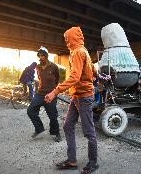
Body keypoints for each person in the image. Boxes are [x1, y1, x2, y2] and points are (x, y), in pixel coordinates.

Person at [45, 26, 99, 174]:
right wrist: (93, 76)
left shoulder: (76, 52)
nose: (66, 42)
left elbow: (75, 77)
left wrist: (55, 92)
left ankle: (93, 162)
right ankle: (72, 161)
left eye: (67, 39)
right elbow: (94, 70)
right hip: (78, 96)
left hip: (83, 97)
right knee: (68, 126)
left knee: (89, 132)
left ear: (72, 38)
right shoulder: (85, 51)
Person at [27, 46, 62, 142]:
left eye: (42, 55)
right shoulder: (38, 67)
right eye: (39, 56)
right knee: (30, 111)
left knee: (53, 116)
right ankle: (39, 129)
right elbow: (39, 78)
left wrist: (53, 91)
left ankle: (56, 133)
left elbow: (57, 79)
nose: (40, 57)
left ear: (46, 56)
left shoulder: (54, 67)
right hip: (39, 94)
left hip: (51, 94)